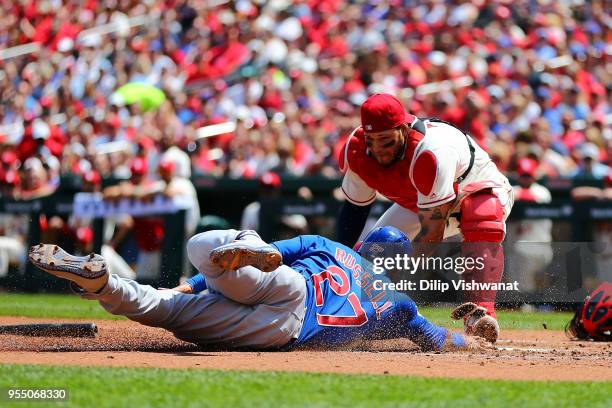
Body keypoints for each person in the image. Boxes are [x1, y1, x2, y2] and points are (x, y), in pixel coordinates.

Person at [27, 227, 489, 351]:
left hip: (286, 284)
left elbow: (279, 253)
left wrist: (194, 282)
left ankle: (104, 281)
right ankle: (108, 284)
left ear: (365, 245)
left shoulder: (330, 245)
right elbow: (434, 337)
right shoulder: (399, 300)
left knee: (200, 254)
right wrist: (469, 338)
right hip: (280, 332)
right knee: (165, 315)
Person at [336, 93, 515, 342]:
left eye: (386, 141)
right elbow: (354, 212)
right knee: (375, 248)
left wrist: (399, 273)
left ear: (404, 129)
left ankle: (479, 313)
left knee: (483, 212)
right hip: (420, 200)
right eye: (371, 141)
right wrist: (339, 260)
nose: (377, 150)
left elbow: (432, 234)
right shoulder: (357, 150)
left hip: (472, 187)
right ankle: (351, 313)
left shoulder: (430, 152)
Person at [506, 157, 553, 293]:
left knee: (539, 283)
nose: (526, 179)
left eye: (529, 175)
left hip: (540, 244)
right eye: (523, 175)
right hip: (517, 246)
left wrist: (515, 197)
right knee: (520, 286)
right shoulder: (512, 189)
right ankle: (525, 305)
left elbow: (532, 198)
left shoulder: (542, 191)